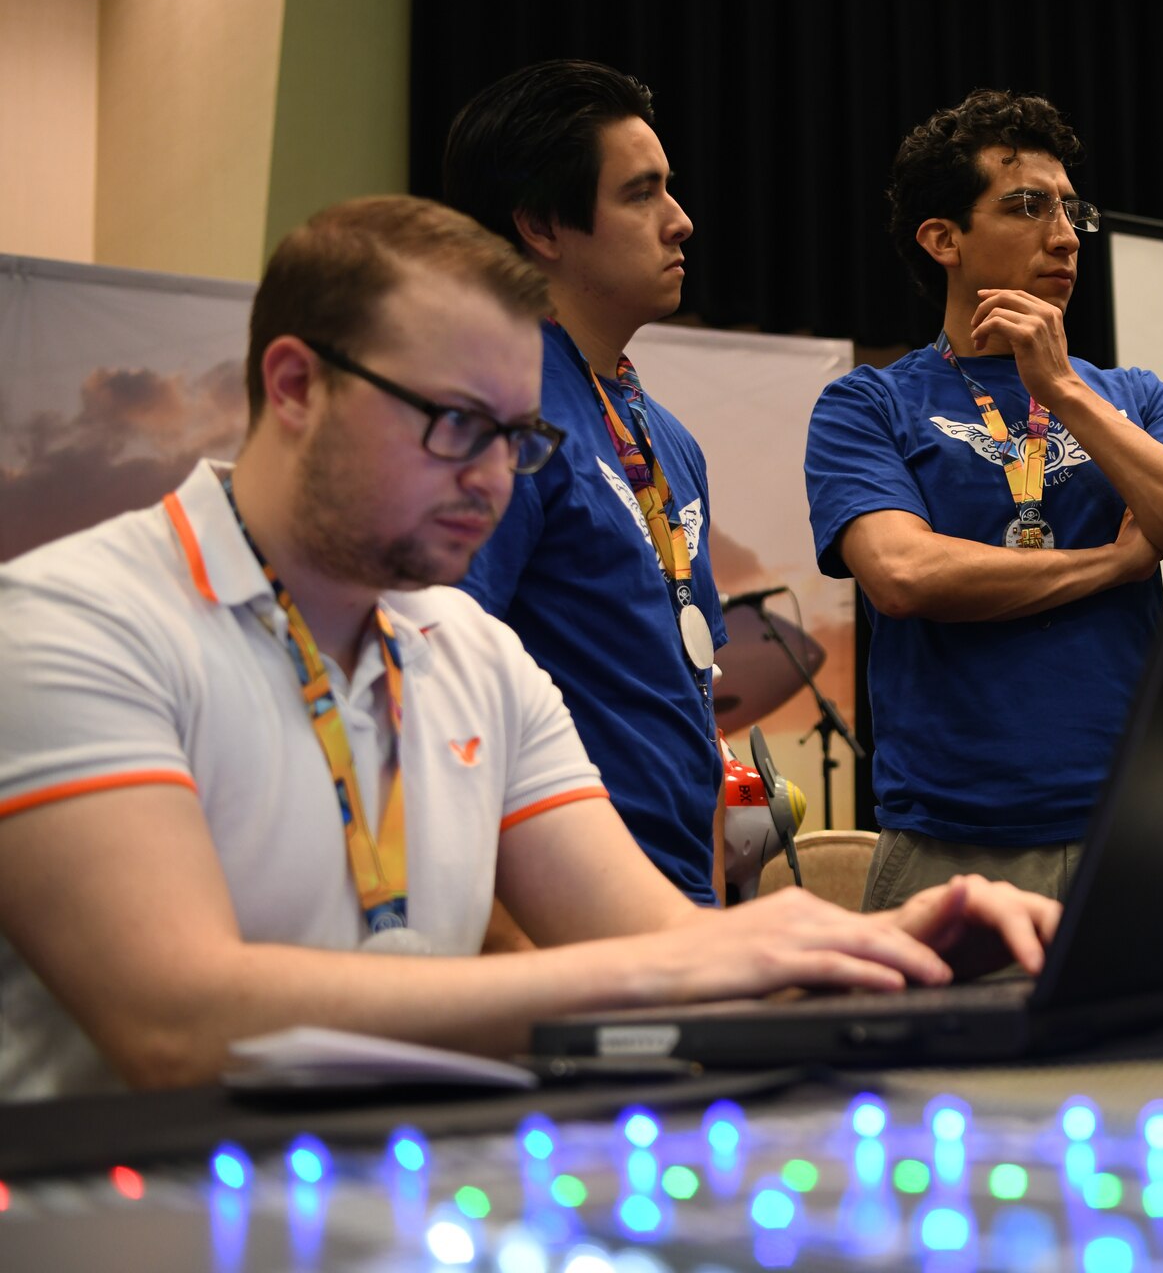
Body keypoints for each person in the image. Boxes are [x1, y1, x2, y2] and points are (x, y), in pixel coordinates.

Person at [0, 197, 1058, 1100]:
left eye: (518, 439)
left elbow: (647, 934)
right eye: (457, 423)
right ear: (293, 385)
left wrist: (896, 947)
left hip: (395, 1201)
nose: (496, 480)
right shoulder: (70, 622)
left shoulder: (472, 650)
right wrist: (673, 969)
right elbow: (177, 1024)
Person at [805, 90, 1163, 911]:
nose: (1063, 237)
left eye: (1070, 211)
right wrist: (1115, 561)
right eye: (1026, 208)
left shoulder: (1131, 396)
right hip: (952, 846)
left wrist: (1061, 388)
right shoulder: (865, 404)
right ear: (943, 239)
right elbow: (905, 576)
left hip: (1132, 834)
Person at [442, 61, 728, 904]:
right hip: (559, 909)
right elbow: (439, 685)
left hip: (677, 907)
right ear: (541, 224)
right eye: (641, 194)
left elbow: (695, 698)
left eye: (669, 189)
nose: (680, 221)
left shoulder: (668, 438)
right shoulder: (496, 415)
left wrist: (706, 910)